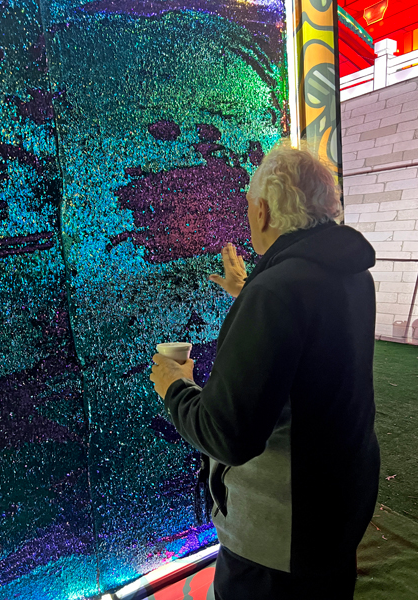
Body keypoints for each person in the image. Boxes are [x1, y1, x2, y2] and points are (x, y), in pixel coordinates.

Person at [150, 143, 380, 600]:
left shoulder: (278, 291)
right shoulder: (350, 274)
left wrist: (174, 387)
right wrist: (249, 290)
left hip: (281, 538)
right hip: (338, 509)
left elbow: (228, 435)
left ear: (261, 210)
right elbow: (309, 349)